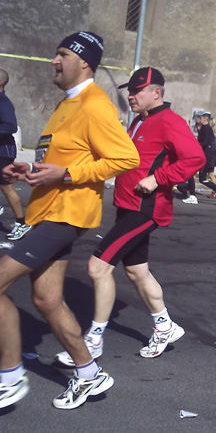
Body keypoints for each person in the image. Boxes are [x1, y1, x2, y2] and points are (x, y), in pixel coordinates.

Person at [0, 31, 140, 410]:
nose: (54, 60)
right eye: (55, 53)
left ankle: (9, 377)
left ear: (85, 63)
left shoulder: (95, 104)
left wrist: (65, 176)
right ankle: (89, 374)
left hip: (67, 214)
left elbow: (126, 159)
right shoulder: (67, 104)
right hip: (47, 211)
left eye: (63, 54)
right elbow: (61, 157)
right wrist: (28, 168)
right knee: (46, 299)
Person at [55, 67, 205, 366]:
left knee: (98, 268)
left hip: (145, 208)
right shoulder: (139, 120)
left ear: (156, 93)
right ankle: (165, 327)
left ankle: (93, 342)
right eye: (130, 90)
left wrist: (158, 178)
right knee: (137, 272)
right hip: (128, 206)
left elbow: (195, 158)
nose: (131, 96)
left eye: (137, 91)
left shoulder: (170, 122)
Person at [0, 69, 31, 240]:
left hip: (3, 151)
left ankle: (22, 223)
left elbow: (11, 126)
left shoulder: (3, 102)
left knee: (7, 187)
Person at [178, 111, 216, 204]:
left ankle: (193, 196)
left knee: (195, 175)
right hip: (202, 156)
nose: (200, 119)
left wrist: (194, 143)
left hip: (205, 157)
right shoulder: (204, 128)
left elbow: (206, 143)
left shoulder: (207, 129)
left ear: (205, 118)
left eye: (201, 117)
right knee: (200, 178)